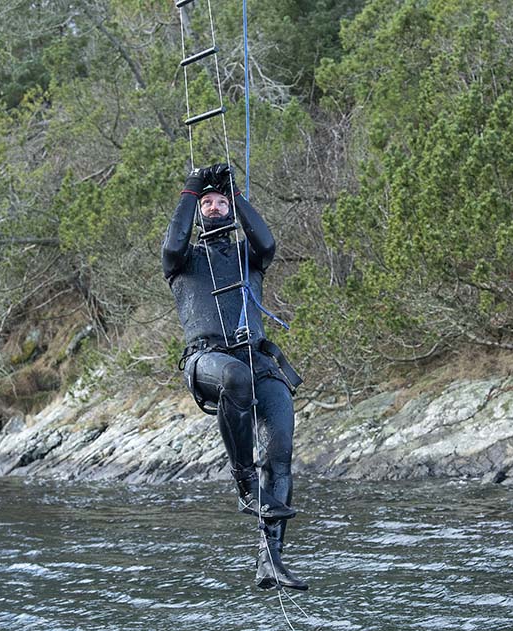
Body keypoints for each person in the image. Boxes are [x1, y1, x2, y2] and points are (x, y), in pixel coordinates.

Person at [161, 164, 308, 591]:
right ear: (197, 210)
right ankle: (246, 485)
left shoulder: (248, 257)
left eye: (219, 201)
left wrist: (237, 194)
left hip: (258, 361)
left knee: (280, 452)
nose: (214, 206)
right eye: (207, 203)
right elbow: (172, 243)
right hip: (206, 361)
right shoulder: (182, 259)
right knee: (236, 379)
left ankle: (271, 559)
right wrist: (191, 188)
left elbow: (267, 241)